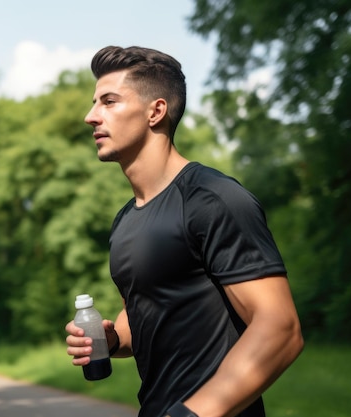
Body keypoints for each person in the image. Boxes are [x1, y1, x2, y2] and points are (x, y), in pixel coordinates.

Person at [64, 46, 304, 417]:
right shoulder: (126, 219)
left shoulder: (213, 198)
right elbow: (142, 312)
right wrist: (111, 339)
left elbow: (280, 328)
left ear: (155, 111)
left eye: (108, 102)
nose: (90, 116)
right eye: (95, 102)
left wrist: (193, 413)